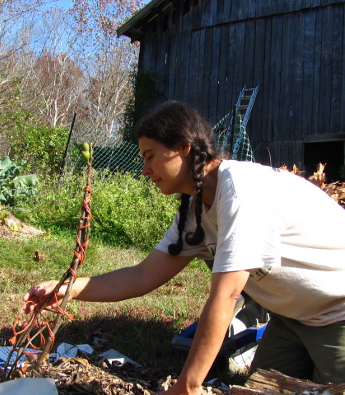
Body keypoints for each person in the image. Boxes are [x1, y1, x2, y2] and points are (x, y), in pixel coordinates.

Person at [23, 101, 345, 394]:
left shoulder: (241, 191)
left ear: (183, 148)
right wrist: (68, 290)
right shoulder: (198, 208)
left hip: (338, 313)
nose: (145, 170)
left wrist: (187, 387)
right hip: (292, 319)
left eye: (150, 157)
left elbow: (226, 295)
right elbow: (143, 275)